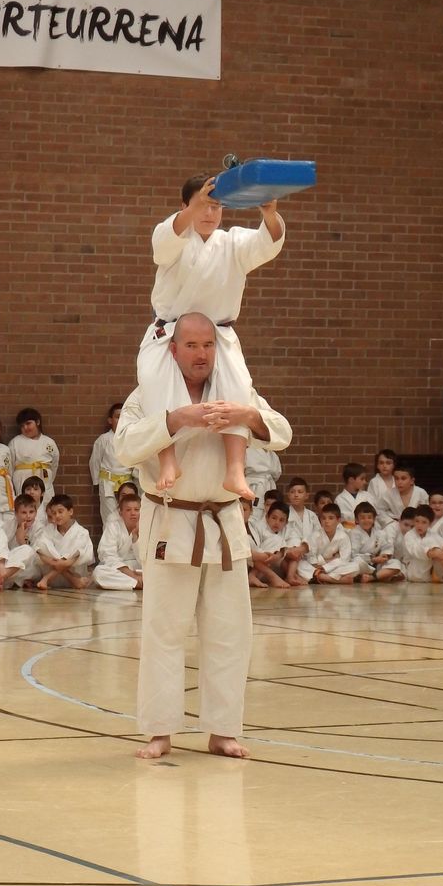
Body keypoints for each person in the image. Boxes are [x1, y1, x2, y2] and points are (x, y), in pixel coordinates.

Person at [114, 312, 292, 760]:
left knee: (231, 631)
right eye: (191, 345)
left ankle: (223, 730)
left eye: (208, 345)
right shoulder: (148, 393)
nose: (201, 354)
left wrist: (247, 415)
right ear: (172, 350)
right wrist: (174, 420)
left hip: (223, 520)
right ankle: (159, 731)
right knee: (164, 630)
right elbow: (124, 447)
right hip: (170, 520)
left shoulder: (234, 389)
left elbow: (282, 433)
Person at [140, 173, 284, 500]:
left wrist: (269, 214)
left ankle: (235, 469)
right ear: (184, 206)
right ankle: (167, 460)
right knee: (154, 381)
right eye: (202, 205)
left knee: (238, 387)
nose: (209, 213)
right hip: (169, 331)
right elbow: (164, 242)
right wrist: (194, 207)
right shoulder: (172, 236)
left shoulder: (232, 242)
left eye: (216, 207)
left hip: (219, 333)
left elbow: (268, 243)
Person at [32, 494, 95, 590]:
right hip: (57, 580)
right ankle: (73, 580)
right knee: (40, 545)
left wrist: (64, 562)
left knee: (78, 550)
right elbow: (38, 549)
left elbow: (82, 555)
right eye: (54, 513)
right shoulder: (48, 530)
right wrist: (57, 563)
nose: (57, 516)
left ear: (70, 511)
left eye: (60, 511)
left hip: (74, 573)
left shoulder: (81, 532)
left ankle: (46, 578)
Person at [89, 404, 134, 526]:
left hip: (126, 482)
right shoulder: (103, 439)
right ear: (110, 420)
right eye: (118, 417)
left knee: (128, 516)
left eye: (124, 417)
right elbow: (95, 461)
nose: (121, 420)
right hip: (108, 483)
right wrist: (96, 482)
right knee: (109, 518)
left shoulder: (131, 439)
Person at [9, 407, 60, 505]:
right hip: (23, 480)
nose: (25, 428)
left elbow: (54, 464)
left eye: (28, 423)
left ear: (37, 422)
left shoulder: (49, 442)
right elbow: (10, 468)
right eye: (22, 426)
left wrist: (48, 476)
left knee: (47, 506)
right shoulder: (15, 442)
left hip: (44, 480)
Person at [93, 493, 144, 590]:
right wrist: (131, 574)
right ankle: (138, 583)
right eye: (128, 510)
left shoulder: (147, 527)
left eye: (136, 510)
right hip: (119, 569)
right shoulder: (113, 526)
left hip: (140, 568)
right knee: (98, 572)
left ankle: (139, 582)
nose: (133, 513)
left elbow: (146, 558)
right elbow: (107, 554)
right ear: (121, 512)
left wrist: (135, 537)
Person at [334, 462, 369, 528]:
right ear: (351, 480)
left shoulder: (367, 496)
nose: (365, 482)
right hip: (346, 532)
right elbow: (337, 522)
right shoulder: (339, 500)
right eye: (362, 479)